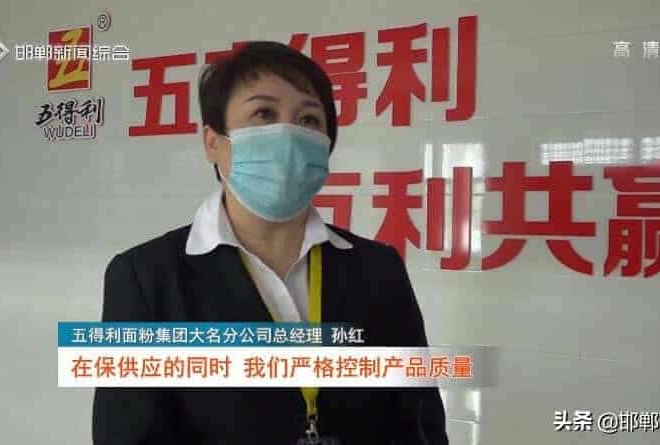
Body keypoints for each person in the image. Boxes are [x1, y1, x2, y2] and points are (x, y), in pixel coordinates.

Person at [92, 41, 448, 445]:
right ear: (213, 142)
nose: (290, 135)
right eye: (264, 113)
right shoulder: (144, 278)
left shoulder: (379, 268)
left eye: (309, 119)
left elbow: (420, 426)